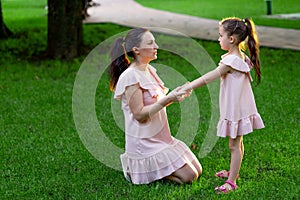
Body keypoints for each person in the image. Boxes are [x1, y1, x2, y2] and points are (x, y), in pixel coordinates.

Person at [180, 17, 265, 193]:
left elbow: (209, 77)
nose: (219, 39)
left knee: (234, 146)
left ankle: (231, 182)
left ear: (231, 39)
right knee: (237, 143)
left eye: (220, 36)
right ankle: (234, 172)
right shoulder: (240, 57)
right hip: (240, 106)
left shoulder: (231, 61)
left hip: (236, 109)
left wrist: (189, 86)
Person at [109, 28, 202, 185]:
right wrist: (168, 99)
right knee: (189, 177)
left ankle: (155, 169)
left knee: (197, 170)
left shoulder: (149, 70)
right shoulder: (130, 76)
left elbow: (157, 102)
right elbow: (139, 114)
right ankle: (140, 170)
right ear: (136, 50)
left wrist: (176, 95)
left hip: (161, 138)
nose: (156, 46)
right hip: (144, 144)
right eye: (150, 43)